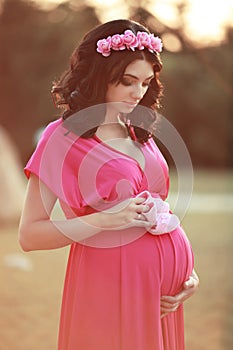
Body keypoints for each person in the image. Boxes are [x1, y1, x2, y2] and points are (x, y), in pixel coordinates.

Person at [19, 19, 199, 350]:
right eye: (127, 81)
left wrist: (187, 275)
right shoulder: (61, 137)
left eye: (145, 82)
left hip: (162, 298)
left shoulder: (137, 130)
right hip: (110, 287)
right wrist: (103, 219)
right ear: (99, 76)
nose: (138, 92)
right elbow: (29, 235)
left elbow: (159, 211)